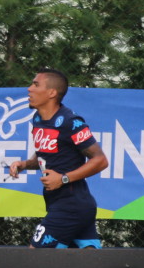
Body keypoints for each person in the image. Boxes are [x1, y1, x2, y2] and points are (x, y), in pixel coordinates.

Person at [8, 68, 108, 248]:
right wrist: (24, 164)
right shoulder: (38, 118)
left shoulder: (71, 122)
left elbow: (100, 160)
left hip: (69, 207)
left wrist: (62, 179)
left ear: (52, 93)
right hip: (70, 206)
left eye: (36, 84)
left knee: (33, 261)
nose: (29, 89)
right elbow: (45, 153)